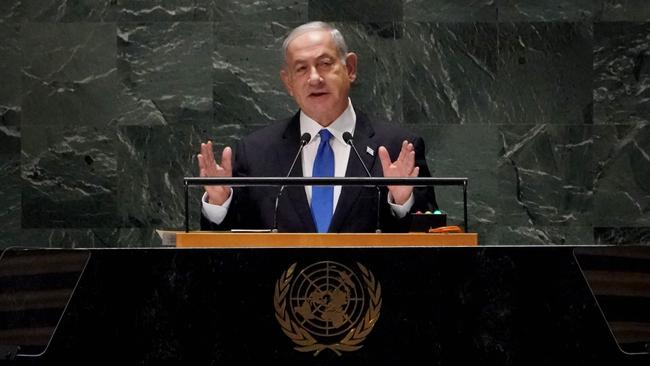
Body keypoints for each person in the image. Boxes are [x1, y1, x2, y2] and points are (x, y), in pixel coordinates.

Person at [197, 21, 437, 233]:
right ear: (288, 82)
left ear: (350, 68)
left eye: (324, 63)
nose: (314, 78)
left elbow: (434, 241)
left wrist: (402, 201)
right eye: (301, 68)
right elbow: (228, 251)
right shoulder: (257, 152)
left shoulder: (398, 147)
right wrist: (219, 203)